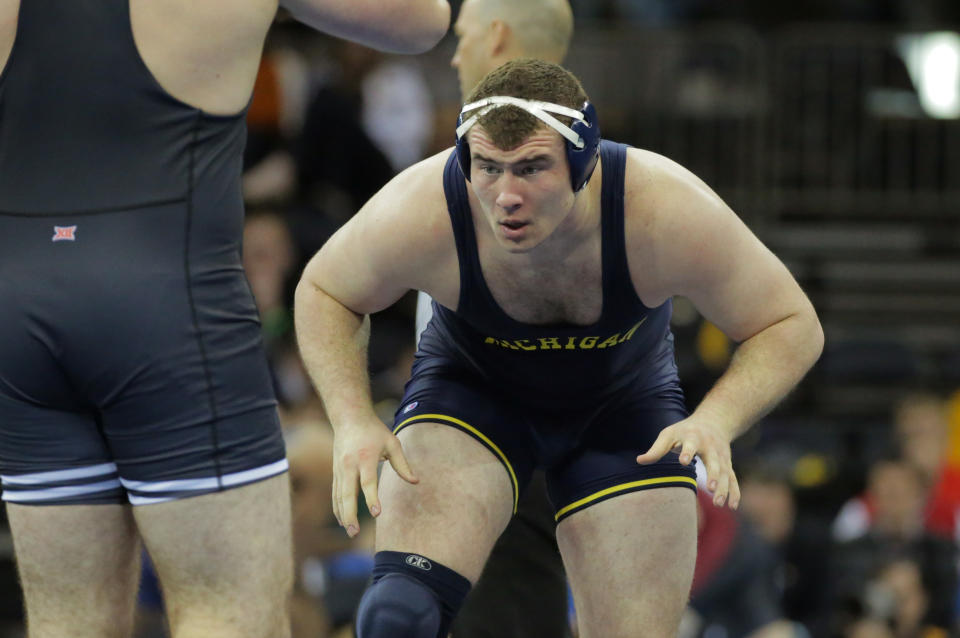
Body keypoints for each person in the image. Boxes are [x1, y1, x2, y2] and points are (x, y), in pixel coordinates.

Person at [294, 58, 823, 637]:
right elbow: (324, 290)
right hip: (474, 397)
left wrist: (718, 419)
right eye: (488, 168)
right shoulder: (426, 206)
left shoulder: (663, 209)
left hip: (622, 411)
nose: (505, 197)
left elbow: (791, 323)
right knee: (398, 617)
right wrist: (350, 419)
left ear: (583, 162)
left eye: (531, 168)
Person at [0, 1, 449, 637]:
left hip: (19, 308)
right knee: (228, 615)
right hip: (164, 302)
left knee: (67, 624)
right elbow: (423, 19)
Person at [418, 1, 575, 636]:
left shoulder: (535, 163)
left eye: (462, 38)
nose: (455, 55)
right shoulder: (566, 149)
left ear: (498, 36)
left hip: (501, 435)